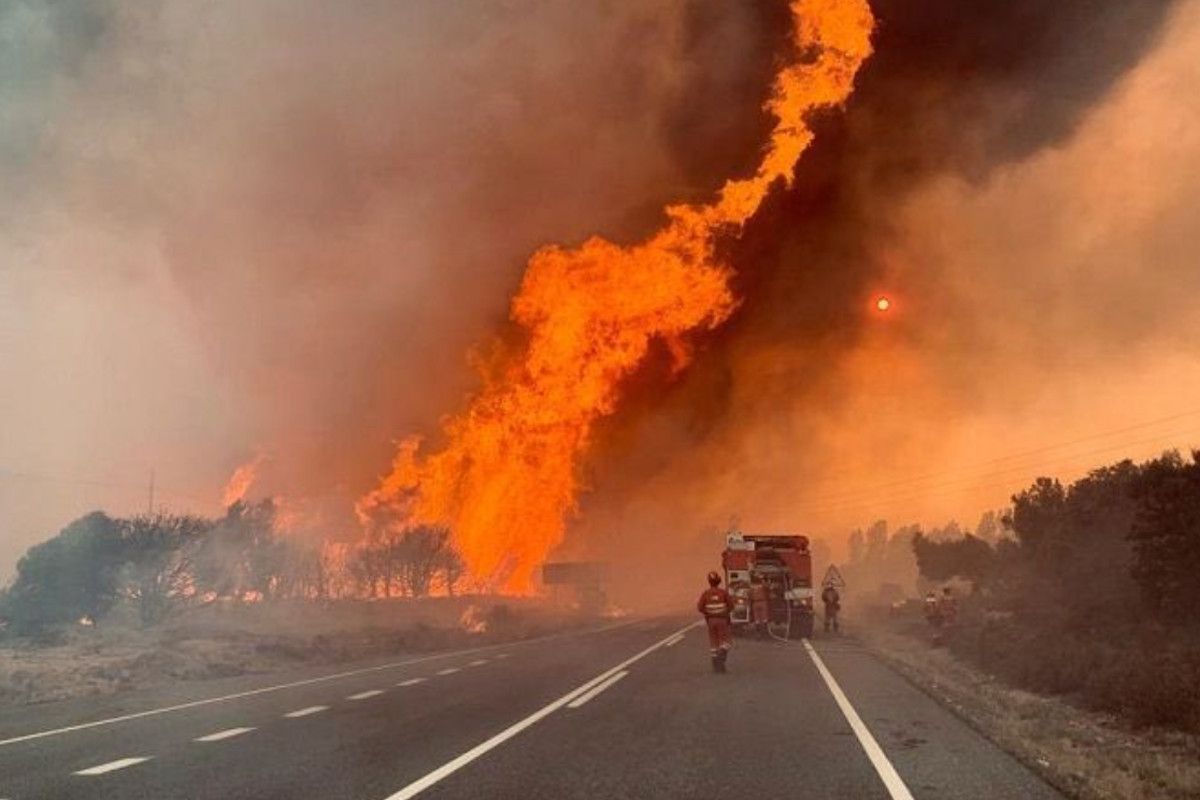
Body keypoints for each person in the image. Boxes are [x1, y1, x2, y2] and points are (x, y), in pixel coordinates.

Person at [696, 571, 733, 673]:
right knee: (726, 642)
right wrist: (725, 612)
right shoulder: (723, 593)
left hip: (711, 621)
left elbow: (700, 607)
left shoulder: (706, 593)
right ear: (718, 581)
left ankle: (715, 665)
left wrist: (708, 612)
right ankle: (721, 657)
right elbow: (731, 606)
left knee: (714, 643)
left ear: (709, 582)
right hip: (722, 620)